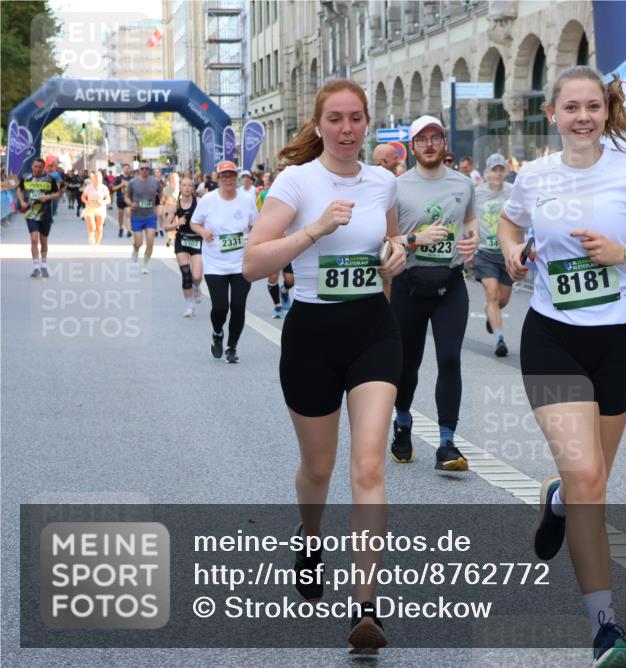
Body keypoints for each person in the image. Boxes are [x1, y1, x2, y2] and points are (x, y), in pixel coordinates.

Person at [497, 65, 626, 668]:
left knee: (590, 484)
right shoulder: (533, 177)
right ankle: (605, 627)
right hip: (553, 338)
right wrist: (511, 251)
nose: (583, 117)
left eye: (592, 107)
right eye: (571, 107)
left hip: (620, 343)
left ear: (605, 114)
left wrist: (625, 253)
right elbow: (510, 221)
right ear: (551, 114)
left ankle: (557, 501)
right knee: (591, 485)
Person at [242, 78, 407, 655]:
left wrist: (397, 255)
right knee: (319, 467)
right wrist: (312, 229)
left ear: (367, 124)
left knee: (368, 466)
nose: (344, 129)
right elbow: (251, 262)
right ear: (318, 126)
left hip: (371, 332)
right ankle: (310, 537)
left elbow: (388, 251)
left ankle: (366, 607)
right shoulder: (296, 181)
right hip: (311, 334)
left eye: (355, 118)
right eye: (333, 119)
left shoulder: (383, 181)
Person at [387, 115, 478, 471]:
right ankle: (403, 422)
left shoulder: (463, 183)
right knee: (408, 363)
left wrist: (472, 239)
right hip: (409, 284)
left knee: (450, 359)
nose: (429, 144)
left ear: (444, 143)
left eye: (435, 138)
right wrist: (414, 239)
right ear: (412, 147)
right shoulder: (396, 186)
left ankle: (446, 443)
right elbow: (384, 240)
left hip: (450, 284)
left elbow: (470, 222)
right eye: (421, 139)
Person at [189, 161, 257, 362]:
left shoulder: (246, 200)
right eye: (224, 176)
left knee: (238, 306)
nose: (228, 179)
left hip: (241, 263)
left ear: (236, 177)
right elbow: (194, 222)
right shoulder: (208, 200)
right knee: (220, 307)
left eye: (231, 175)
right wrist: (202, 230)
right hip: (215, 263)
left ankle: (232, 347)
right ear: (218, 179)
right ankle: (217, 333)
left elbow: (255, 226)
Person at [473, 153, 514, 356]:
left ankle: (491, 313)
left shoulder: (512, 192)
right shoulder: (477, 194)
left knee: (502, 299)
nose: (497, 173)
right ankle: (499, 339)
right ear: (486, 172)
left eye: (501, 169)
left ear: (506, 171)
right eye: (493, 169)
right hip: (484, 252)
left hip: (506, 252)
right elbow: (468, 218)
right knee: (492, 293)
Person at [256, 171, 295, 318]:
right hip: (271, 241)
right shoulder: (264, 195)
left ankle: (285, 291)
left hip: (288, 241)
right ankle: (277, 306)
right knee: (273, 276)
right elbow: (259, 216)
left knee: (290, 279)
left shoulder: (294, 194)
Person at [164, 176, 203, 318]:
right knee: (186, 273)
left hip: (197, 240)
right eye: (184, 185)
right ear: (180, 188)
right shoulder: (175, 205)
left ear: (193, 188)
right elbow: (166, 226)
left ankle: (197, 287)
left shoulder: (199, 203)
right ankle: (189, 306)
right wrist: (177, 223)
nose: (187, 188)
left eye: (189, 185)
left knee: (197, 276)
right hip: (182, 240)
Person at [17, 158, 60, 278]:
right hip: (30, 213)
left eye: (40, 167)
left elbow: (57, 194)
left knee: (44, 241)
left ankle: (44, 265)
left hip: (45, 214)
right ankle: (36, 267)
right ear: (32, 166)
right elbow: (19, 190)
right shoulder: (26, 178)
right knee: (34, 239)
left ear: (43, 167)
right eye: (35, 166)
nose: (37, 169)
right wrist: (22, 202)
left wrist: (48, 197)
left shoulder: (50, 179)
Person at [125, 162, 164, 275]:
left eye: (147, 168)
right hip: (137, 216)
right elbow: (127, 196)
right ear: (139, 169)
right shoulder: (133, 183)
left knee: (150, 241)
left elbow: (161, 193)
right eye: (143, 168)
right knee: (139, 242)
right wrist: (130, 203)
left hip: (150, 216)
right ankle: (136, 249)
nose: (145, 170)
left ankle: (145, 264)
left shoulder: (155, 182)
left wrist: (161, 200)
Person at [81, 170, 111, 246]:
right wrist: (88, 202)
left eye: (98, 177)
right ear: (93, 178)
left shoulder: (104, 188)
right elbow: (83, 197)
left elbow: (108, 199)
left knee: (99, 227)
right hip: (90, 208)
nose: (97, 178)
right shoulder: (88, 187)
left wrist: (102, 202)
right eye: (95, 177)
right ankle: (91, 236)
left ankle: (97, 244)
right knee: (92, 226)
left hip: (100, 208)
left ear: (101, 178)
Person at [112, 164, 132, 237]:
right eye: (125, 168)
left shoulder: (132, 179)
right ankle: (121, 228)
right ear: (123, 169)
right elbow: (113, 189)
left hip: (129, 199)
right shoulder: (118, 178)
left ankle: (129, 230)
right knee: (120, 214)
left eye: (128, 168)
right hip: (120, 198)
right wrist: (121, 185)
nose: (127, 169)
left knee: (128, 214)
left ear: (130, 169)